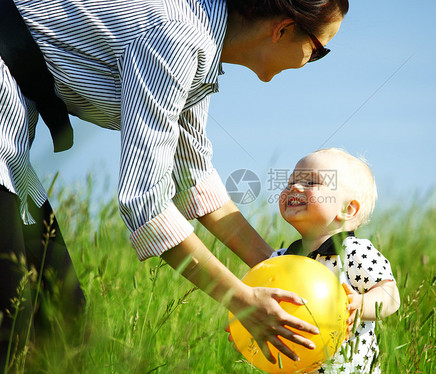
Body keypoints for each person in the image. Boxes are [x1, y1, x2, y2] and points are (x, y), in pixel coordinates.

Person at [0, 0, 349, 369]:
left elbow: (191, 175)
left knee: (62, 330)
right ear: (282, 29)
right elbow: (145, 202)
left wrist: (280, 270)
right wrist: (241, 300)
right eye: (318, 51)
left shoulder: (198, 48)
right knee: (13, 331)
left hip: (11, 145)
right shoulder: (177, 37)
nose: (311, 62)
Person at [271, 148, 401, 373]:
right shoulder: (282, 259)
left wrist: (361, 304)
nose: (294, 187)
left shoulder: (353, 253)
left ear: (348, 209)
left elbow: (390, 296)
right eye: (290, 182)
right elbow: (261, 300)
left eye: (311, 183)